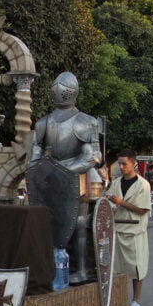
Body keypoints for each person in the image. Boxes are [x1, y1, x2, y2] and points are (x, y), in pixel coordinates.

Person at [30, 72, 102, 285]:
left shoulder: (86, 122)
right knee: (48, 224)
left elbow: (93, 156)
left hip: (76, 178)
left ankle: (81, 269)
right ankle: (51, 268)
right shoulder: (43, 123)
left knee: (79, 223)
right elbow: (34, 156)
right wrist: (37, 170)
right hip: (50, 181)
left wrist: (59, 169)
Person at [105, 149, 150, 306]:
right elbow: (109, 199)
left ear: (133, 163)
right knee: (116, 268)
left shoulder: (142, 185)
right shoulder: (116, 183)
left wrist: (121, 202)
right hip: (117, 229)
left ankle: (136, 300)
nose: (121, 167)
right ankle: (115, 299)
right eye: (120, 164)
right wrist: (110, 202)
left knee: (136, 268)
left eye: (124, 163)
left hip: (134, 231)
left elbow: (142, 210)